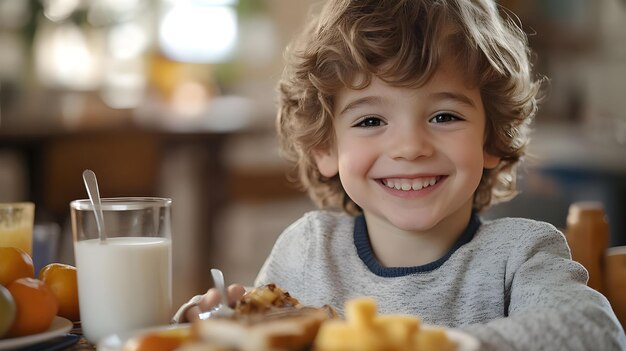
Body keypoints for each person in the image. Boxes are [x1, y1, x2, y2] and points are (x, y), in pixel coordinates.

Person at [174, 0, 626, 349]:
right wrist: (207, 322)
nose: (410, 147)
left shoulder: (519, 256)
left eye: (445, 116)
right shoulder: (307, 251)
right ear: (324, 148)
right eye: (371, 121)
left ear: (490, 139)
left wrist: (450, 343)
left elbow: (595, 332)